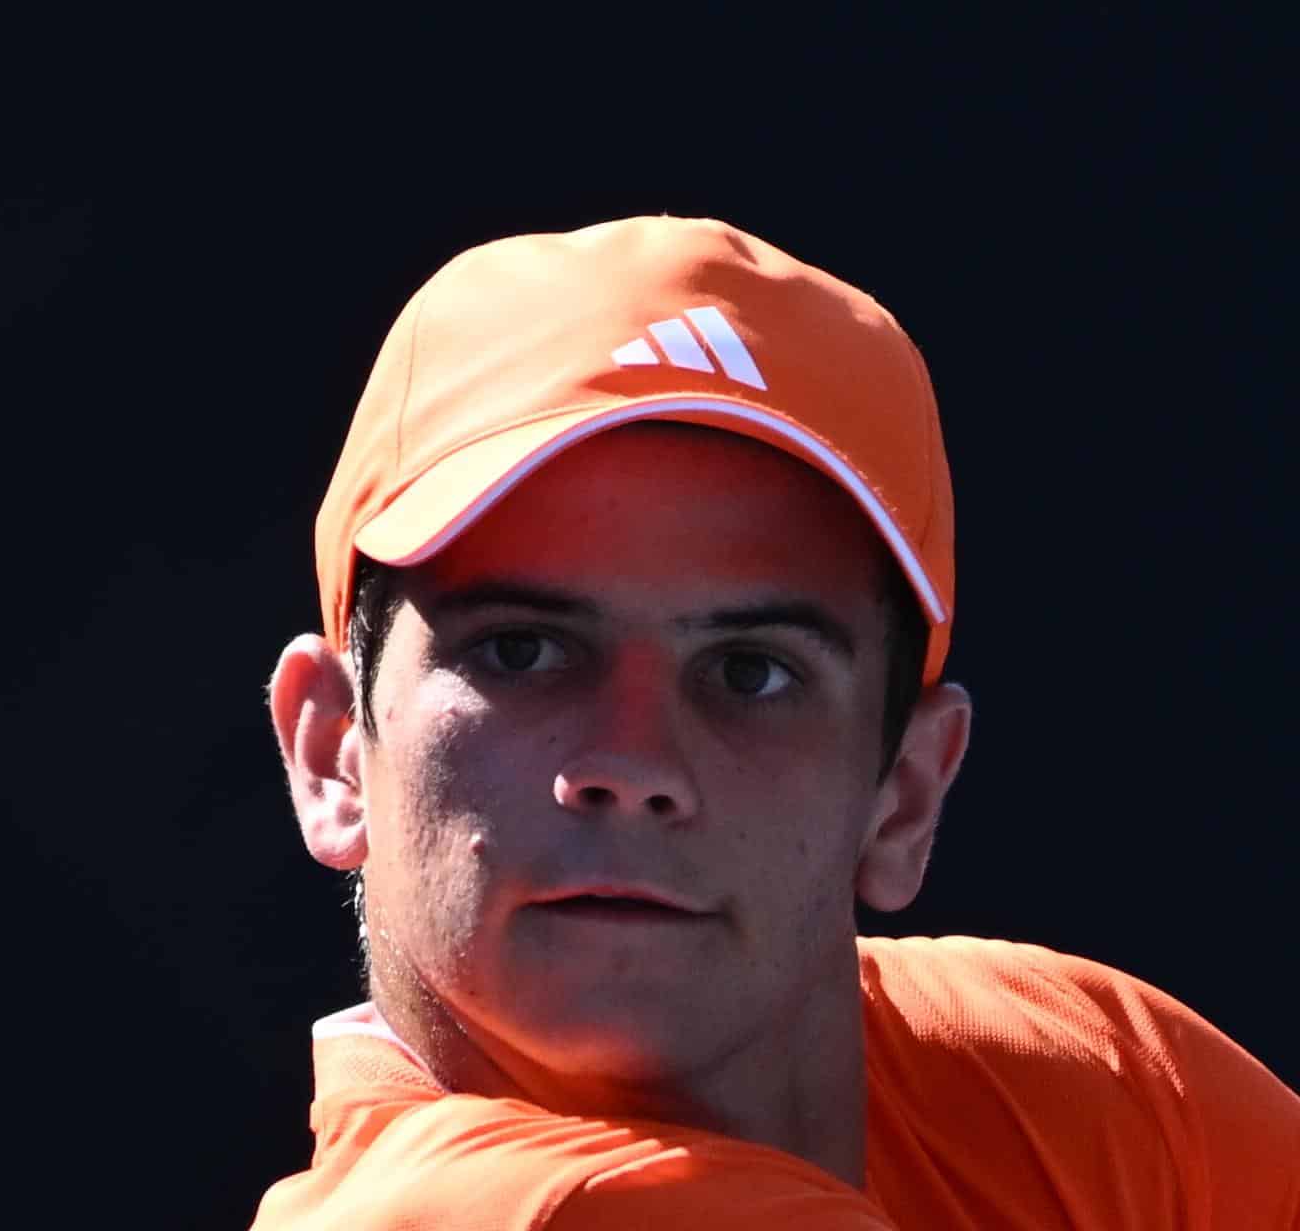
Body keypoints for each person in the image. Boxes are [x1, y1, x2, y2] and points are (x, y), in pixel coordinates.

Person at [252, 215, 1300, 1228]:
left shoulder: (1085, 1074)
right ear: (332, 751)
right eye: (520, 649)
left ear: (906, 794)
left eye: (750, 671)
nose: (632, 758)